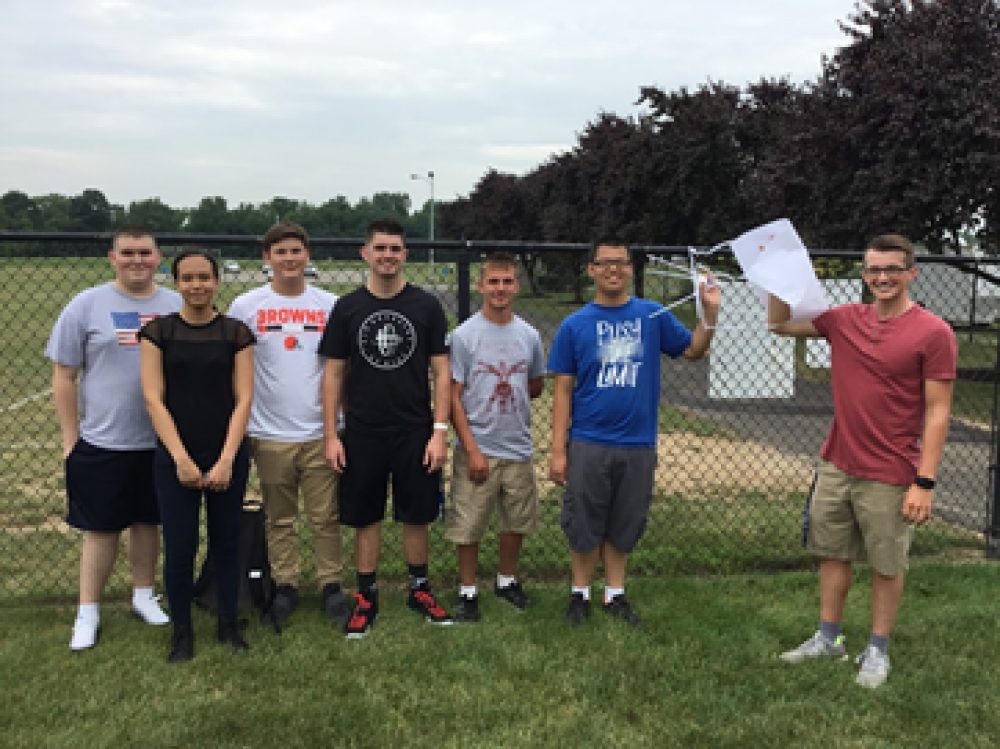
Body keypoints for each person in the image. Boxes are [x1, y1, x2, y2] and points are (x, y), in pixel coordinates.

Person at [773, 234, 956, 689]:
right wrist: (776, 280)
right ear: (864, 274)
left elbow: (938, 411)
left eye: (892, 269)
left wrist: (924, 481)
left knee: (886, 564)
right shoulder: (845, 320)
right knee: (832, 554)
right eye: (873, 269)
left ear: (912, 273)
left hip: (892, 473)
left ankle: (877, 649)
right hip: (837, 463)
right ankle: (828, 638)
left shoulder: (934, 333)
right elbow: (779, 324)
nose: (882, 277)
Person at [548, 241, 719, 627]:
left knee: (626, 521)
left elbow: (692, 350)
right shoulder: (574, 325)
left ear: (629, 269)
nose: (613, 270)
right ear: (590, 269)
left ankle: (615, 594)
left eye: (620, 263)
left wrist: (709, 315)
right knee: (584, 521)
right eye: (604, 263)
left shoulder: (651, 315)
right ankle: (579, 593)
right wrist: (558, 450)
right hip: (590, 440)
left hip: (638, 442)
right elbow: (561, 390)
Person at [46, 226, 181, 651]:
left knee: (148, 523)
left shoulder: (175, 304)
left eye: (145, 253)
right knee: (101, 529)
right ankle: (88, 610)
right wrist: (72, 440)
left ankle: (144, 594)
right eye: (128, 253)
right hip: (105, 441)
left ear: (158, 257)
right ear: (112, 257)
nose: (136, 260)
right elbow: (64, 374)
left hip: (159, 440)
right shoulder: (87, 304)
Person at [319, 218, 452, 639]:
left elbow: (442, 373)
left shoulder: (426, 306)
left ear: (405, 254)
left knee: (416, 514)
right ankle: (367, 595)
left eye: (395, 248)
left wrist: (439, 430)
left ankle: (419, 588)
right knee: (366, 516)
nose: (388, 256)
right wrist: (331, 434)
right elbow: (333, 375)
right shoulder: (348, 308)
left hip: (414, 428)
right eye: (380, 248)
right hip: (362, 430)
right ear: (366, 254)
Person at [228, 223, 348, 628]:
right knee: (279, 518)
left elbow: (340, 370)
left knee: (324, 516)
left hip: (320, 431)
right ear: (267, 258)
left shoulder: (331, 305)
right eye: (280, 252)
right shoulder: (246, 307)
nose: (289, 258)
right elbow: (236, 368)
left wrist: (337, 427)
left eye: (296, 250)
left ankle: (331, 584)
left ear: (307, 254)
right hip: (269, 432)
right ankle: (286, 584)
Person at [140, 249, 255, 663]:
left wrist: (226, 458)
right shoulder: (158, 333)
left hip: (225, 451)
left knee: (226, 541)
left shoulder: (235, 333)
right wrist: (181, 459)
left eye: (204, 277)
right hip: (175, 455)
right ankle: (182, 632)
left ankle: (228, 623)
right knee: (181, 544)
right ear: (176, 282)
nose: (197, 285)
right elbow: (154, 400)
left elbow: (244, 400)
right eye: (188, 278)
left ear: (216, 280)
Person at [446, 253, 546, 622]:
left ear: (516, 286)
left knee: (515, 521)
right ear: (481, 286)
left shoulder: (529, 335)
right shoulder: (464, 336)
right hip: (478, 445)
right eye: (493, 282)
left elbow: (534, 385)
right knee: (469, 522)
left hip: (517, 445)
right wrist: (471, 449)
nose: (500, 289)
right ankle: (467, 590)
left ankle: (506, 580)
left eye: (507, 282)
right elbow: (453, 396)